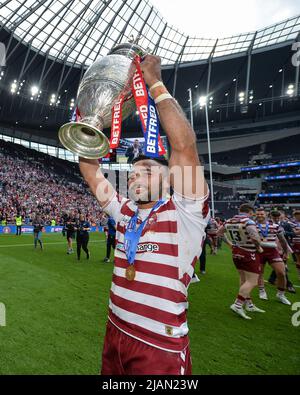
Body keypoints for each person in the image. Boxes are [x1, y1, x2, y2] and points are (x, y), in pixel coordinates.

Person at [79, 54, 209, 375]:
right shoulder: (124, 211)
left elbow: (184, 148)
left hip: (158, 347)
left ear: (169, 178)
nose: (136, 177)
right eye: (133, 173)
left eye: (148, 171)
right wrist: (92, 119)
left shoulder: (186, 214)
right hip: (114, 330)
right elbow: (90, 170)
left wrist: (155, 83)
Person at [218, 204, 265, 320]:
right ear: (250, 211)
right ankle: (238, 305)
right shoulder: (248, 221)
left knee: (243, 279)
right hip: (249, 253)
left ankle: (249, 304)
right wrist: (259, 247)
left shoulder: (229, 220)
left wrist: (230, 244)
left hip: (236, 251)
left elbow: (219, 232)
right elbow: (254, 237)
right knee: (253, 281)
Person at [255, 208, 291, 305]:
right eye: (258, 214)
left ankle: (281, 294)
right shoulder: (252, 225)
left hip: (272, 251)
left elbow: (283, 240)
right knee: (260, 273)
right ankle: (262, 291)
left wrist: (286, 252)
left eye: (261, 214)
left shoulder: (275, 226)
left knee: (281, 272)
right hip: (258, 251)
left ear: (266, 215)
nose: (259, 215)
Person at [268, 211, 295, 294]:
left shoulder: (286, 224)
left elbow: (293, 234)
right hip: (273, 247)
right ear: (270, 217)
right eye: (274, 217)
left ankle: (288, 285)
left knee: (282, 266)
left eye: (277, 217)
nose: (276, 219)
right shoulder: (267, 224)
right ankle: (274, 280)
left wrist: (285, 233)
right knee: (280, 265)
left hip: (283, 247)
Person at [288, 210, 300, 280]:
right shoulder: (291, 223)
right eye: (297, 215)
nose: (298, 216)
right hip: (296, 243)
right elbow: (294, 233)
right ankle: (299, 275)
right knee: (298, 261)